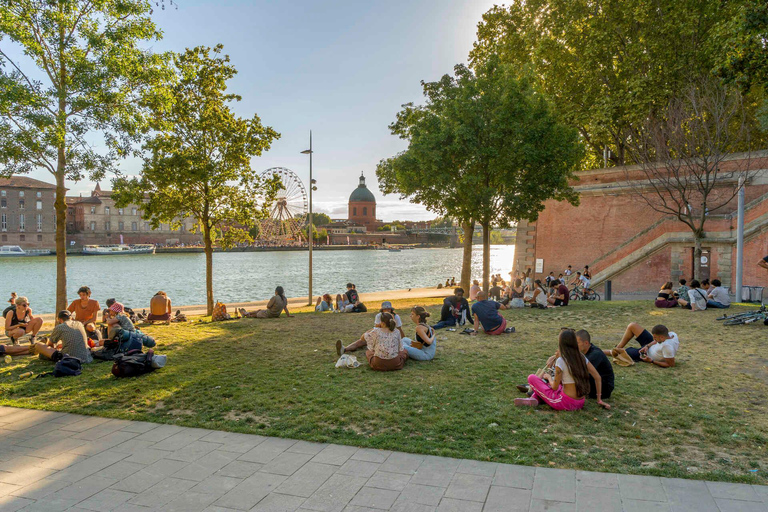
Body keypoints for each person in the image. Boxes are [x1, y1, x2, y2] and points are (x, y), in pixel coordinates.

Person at [515, 329, 610, 410]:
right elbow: (598, 377)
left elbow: (554, 387)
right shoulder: (582, 357)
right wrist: (599, 399)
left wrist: (549, 377)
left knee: (532, 378)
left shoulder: (561, 360)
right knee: (555, 386)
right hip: (580, 402)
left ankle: (534, 397)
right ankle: (533, 399)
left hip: (566, 403)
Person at [337, 312, 407, 371]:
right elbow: (400, 348)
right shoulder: (396, 332)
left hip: (379, 364)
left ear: (382, 323)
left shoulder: (376, 331)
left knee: (368, 352)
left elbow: (363, 337)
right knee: (404, 352)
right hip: (395, 364)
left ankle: (345, 349)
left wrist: (376, 327)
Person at [604, 323, 679, 367]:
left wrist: (651, 361)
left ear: (661, 337)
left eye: (655, 337)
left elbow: (671, 364)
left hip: (646, 355)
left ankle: (598, 351)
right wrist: (647, 346)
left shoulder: (667, 347)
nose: (654, 338)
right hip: (650, 347)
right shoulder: (672, 334)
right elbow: (656, 341)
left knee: (619, 353)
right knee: (632, 326)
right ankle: (617, 347)